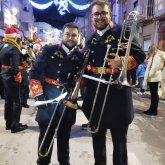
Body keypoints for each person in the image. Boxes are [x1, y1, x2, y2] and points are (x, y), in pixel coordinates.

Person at [81, 1, 146, 165]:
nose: (100, 17)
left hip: (117, 92)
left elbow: (140, 56)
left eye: (103, 13)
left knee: (119, 141)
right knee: (97, 138)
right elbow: (85, 63)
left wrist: (122, 61)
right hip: (95, 92)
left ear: (110, 14)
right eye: (96, 14)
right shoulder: (89, 38)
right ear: (92, 17)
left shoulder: (122, 32)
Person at [29, 22, 83, 165]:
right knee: (46, 137)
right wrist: (39, 95)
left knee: (65, 138)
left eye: (74, 35)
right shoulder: (49, 50)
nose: (70, 38)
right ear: (62, 35)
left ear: (78, 37)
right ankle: (43, 161)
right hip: (48, 98)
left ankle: (64, 162)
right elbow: (34, 72)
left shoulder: (80, 56)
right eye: (67, 34)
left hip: (68, 100)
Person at [0, 26, 28, 133]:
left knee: (8, 100)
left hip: (3, 74)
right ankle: (15, 125)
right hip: (12, 77)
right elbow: (15, 67)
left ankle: (9, 123)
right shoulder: (14, 48)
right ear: (14, 37)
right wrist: (18, 75)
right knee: (17, 101)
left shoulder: (2, 45)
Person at [143, 44, 165, 115]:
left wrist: (149, 76)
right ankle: (151, 109)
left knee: (154, 94)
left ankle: (154, 111)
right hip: (153, 77)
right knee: (153, 94)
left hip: (154, 77)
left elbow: (154, 67)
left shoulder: (157, 56)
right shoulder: (154, 55)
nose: (149, 50)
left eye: (149, 49)